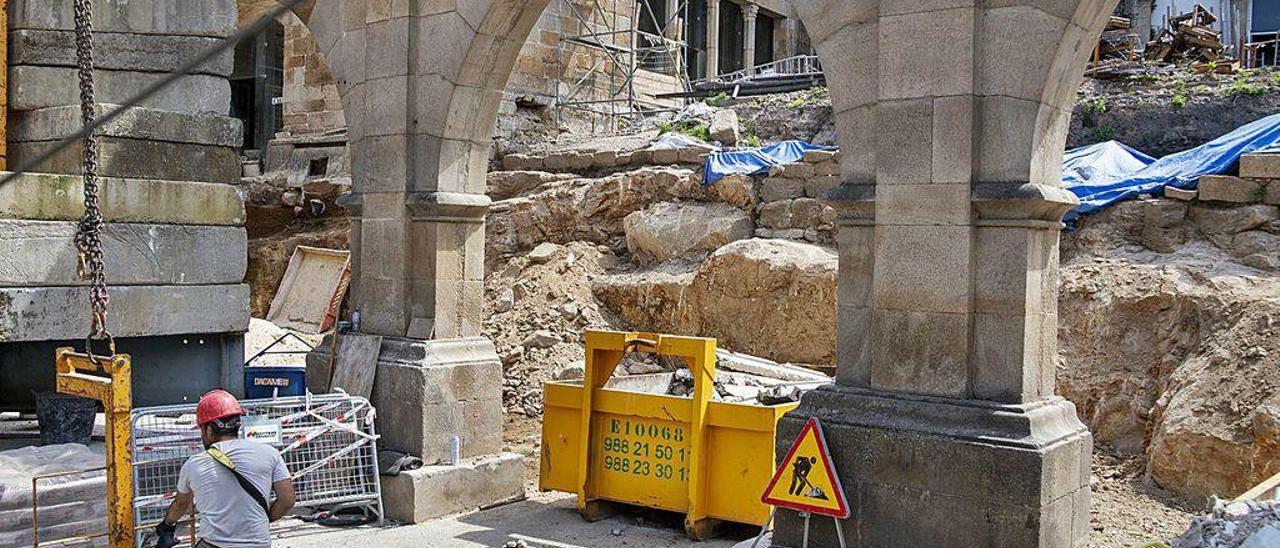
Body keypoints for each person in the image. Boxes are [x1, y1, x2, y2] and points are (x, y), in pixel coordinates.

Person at [154, 390, 295, 548]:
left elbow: (180, 504)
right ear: (238, 425)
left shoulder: (194, 464)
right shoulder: (270, 454)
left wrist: (167, 525)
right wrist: (261, 520)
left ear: (208, 430)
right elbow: (287, 500)